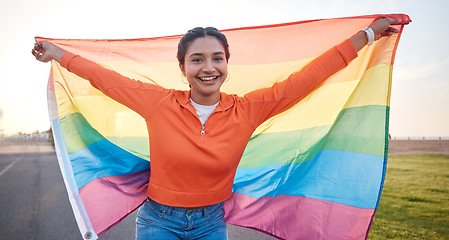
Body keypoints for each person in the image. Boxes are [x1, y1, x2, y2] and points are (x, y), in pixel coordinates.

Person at [32, 17, 401, 240]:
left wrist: (367, 35)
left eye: (217, 58)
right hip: (158, 222)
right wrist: (56, 53)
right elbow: (102, 76)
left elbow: (309, 77)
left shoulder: (249, 109)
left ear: (227, 63)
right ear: (183, 68)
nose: (208, 67)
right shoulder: (157, 103)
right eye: (197, 59)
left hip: (211, 223)